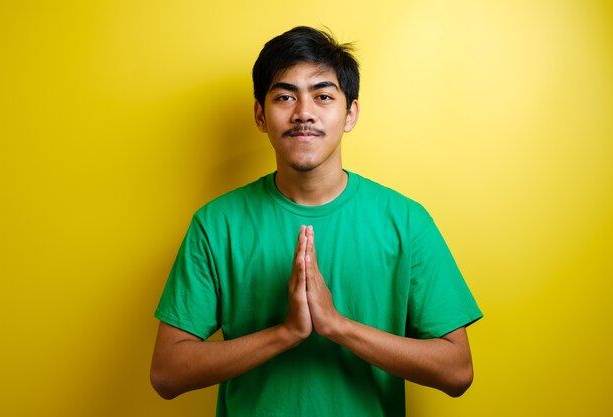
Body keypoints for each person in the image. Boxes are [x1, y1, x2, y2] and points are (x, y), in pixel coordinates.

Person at [150, 26, 482, 416]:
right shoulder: (215, 224)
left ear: (350, 113)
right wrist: (286, 333)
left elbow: (457, 371)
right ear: (260, 115)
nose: (303, 112)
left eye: (323, 96)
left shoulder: (406, 221)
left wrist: (338, 326)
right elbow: (167, 373)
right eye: (285, 96)